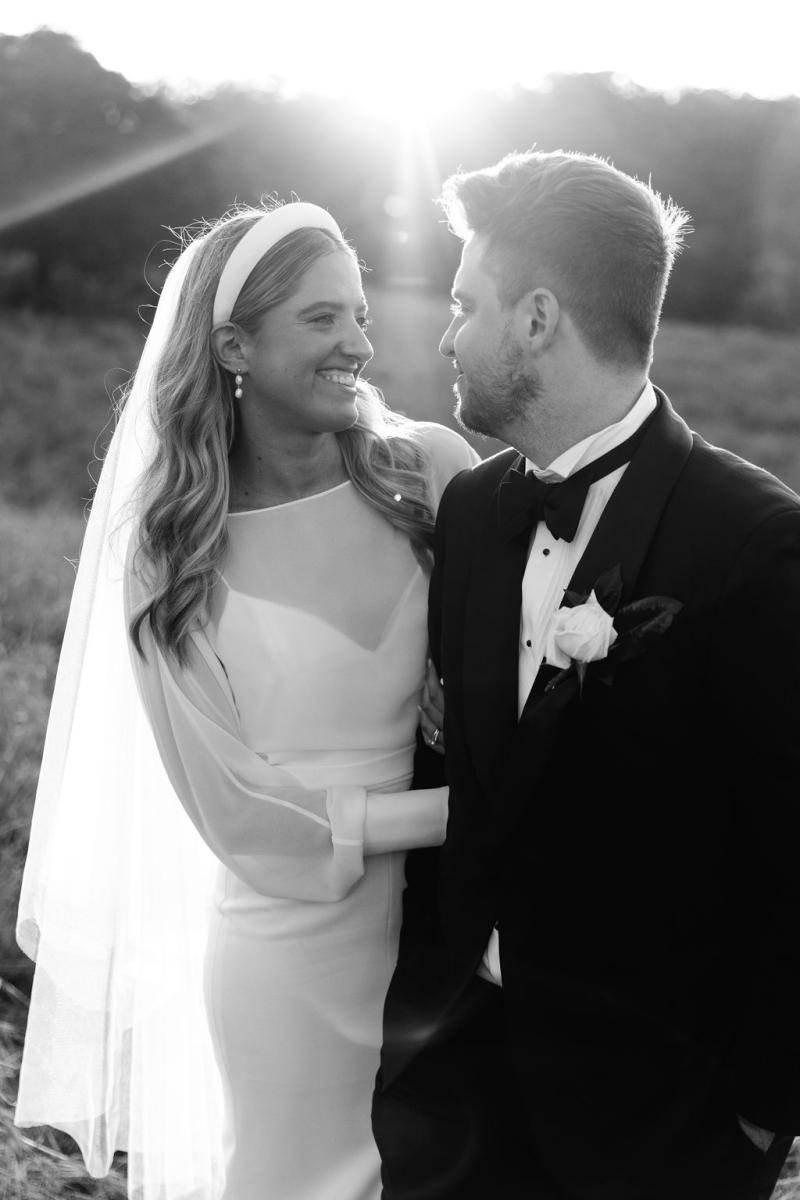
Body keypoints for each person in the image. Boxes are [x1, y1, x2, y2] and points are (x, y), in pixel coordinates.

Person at [14, 200, 478, 1200]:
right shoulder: (172, 547)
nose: (359, 342)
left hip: (453, 935)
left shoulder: (433, 475)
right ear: (234, 343)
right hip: (288, 949)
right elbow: (234, 815)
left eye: (358, 313)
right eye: (321, 319)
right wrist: (458, 813)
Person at [372, 150, 800, 1200]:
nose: (445, 332)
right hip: (455, 1096)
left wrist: (756, 1114)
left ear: (535, 318)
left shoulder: (754, 546)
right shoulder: (470, 513)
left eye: (465, 302)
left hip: (661, 1127)